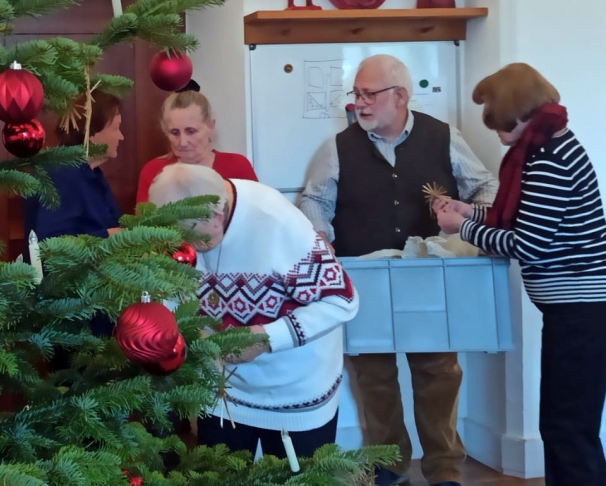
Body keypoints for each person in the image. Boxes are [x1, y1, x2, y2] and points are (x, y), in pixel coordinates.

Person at [299, 54, 498, 486]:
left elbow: (487, 187)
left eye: (369, 94)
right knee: (374, 374)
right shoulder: (336, 148)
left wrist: (469, 216)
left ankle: (444, 469)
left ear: (401, 96)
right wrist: (322, 241)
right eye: (356, 94)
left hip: (429, 275)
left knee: (438, 371)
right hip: (365, 277)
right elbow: (314, 200)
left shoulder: (443, 137)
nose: (360, 103)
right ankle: (388, 465)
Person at [435, 63, 606, 486]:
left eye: (494, 115)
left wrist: (463, 228)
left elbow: (527, 244)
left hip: (581, 310)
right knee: (568, 425)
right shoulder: (548, 146)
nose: (492, 127)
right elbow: (526, 219)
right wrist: (471, 212)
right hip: (577, 309)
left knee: (568, 427)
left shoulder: (548, 158)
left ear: (515, 109)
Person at [149, 163, 358, 460]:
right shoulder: (179, 225)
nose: (185, 247)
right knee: (216, 476)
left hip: (295, 394)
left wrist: (266, 338)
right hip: (221, 392)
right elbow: (171, 292)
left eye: (192, 237)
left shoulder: (276, 219)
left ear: (216, 216)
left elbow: (342, 300)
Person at [25, 91, 124, 241]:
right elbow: (51, 242)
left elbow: (118, 224)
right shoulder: (63, 174)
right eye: (116, 127)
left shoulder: (92, 173)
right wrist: (109, 235)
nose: (121, 136)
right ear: (92, 132)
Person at [136, 90, 257, 203]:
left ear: (210, 126)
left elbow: (257, 213)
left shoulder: (238, 166)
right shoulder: (153, 171)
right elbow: (144, 218)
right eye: (175, 133)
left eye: (191, 131)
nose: (183, 142)